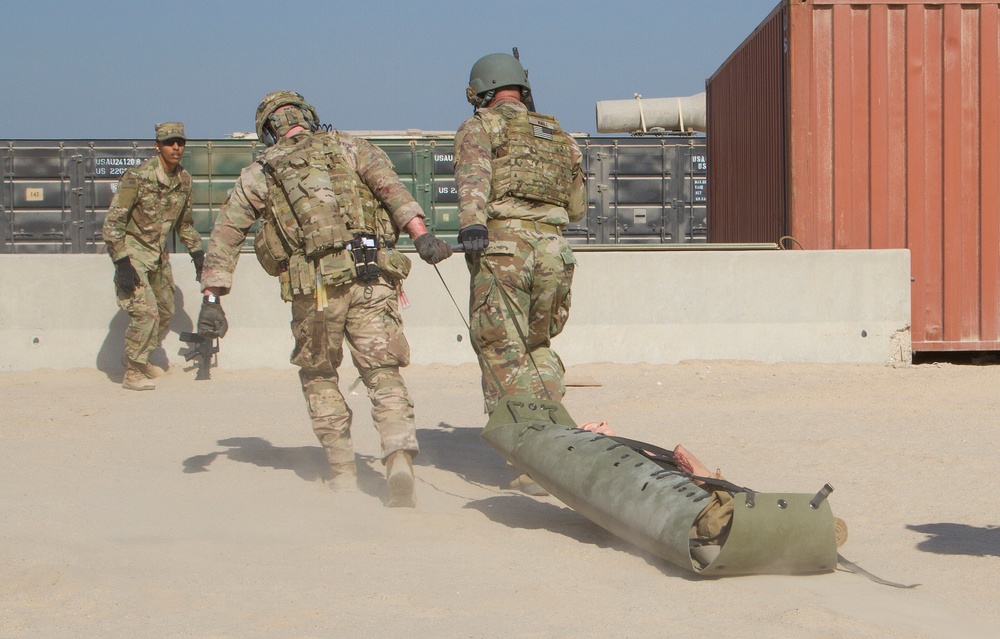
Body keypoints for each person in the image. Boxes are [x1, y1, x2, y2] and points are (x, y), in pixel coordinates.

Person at [196, 91, 452, 507]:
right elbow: (394, 193)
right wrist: (422, 238)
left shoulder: (260, 173)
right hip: (372, 274)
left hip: (315, 290)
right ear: (308, 116)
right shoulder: (351, 147)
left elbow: (226, 233)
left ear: (268, 130)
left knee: (319, 376)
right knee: (383, 371)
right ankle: (398, 454)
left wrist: (213, 297)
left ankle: (343, 472)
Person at [453, 52, 587, 494]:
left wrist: (473, 224)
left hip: (506, 248)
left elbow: (474, 177)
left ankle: (530, 459)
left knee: (501, 349)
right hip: (554, 250)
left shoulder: (481, 126)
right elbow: (578, 207)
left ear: (481, 91)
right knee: (537, 345)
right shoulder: (560, 135)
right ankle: (557, 443)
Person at [103, 122, 204, 391]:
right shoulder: (137, 177)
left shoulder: (183, 180)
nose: (176, 147)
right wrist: (121, 262)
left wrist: (197, 253)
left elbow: (184, 224)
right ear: (157, 146)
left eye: (180, 142)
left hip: (158, 257)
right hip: (133, 255)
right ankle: (133, 372)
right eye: (170, 142)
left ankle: (137, 356)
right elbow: (113, 223)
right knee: (145, 313)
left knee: (166, 311)